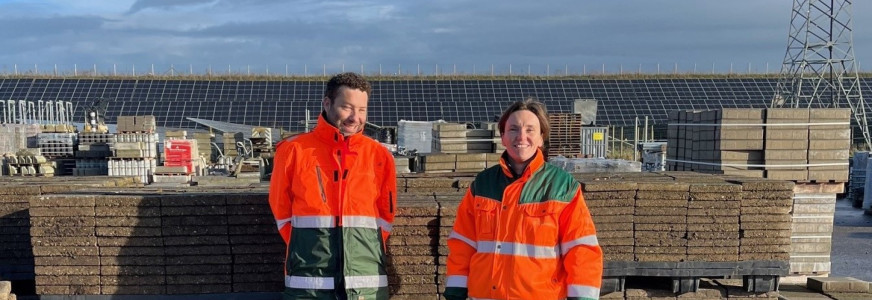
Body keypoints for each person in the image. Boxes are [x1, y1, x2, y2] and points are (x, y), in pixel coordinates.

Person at [443, 97, 603, 300]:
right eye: (513, 129)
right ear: (502, 137)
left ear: (541, 138)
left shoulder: (562, 186)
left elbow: (581, 250)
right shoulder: (483, 184)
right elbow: (463, 244)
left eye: (530, 130)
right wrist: (455, 290)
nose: (521, 136)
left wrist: (583, 297)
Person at [269, 72, 396, 300]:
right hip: (309, 276)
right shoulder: (292, 151)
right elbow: (281, 211)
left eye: (362, 110)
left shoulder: (380, 156)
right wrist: (310, 247)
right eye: (347, 107)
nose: (355, 117)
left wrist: (358, 250)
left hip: (366, 278)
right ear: (327, 104)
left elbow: (385, 217)